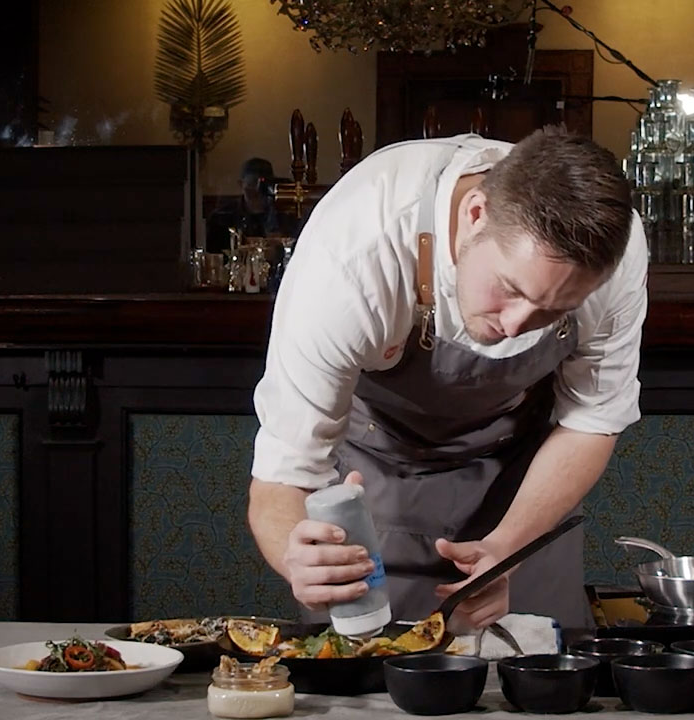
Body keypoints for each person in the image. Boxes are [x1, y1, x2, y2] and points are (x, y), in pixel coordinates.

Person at [247, 126, 648, 632]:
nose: (514, 326)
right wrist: (295, 558)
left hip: (523, 478)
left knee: (543, 690)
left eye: (553, 311)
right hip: (382, 475)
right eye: (508, 288)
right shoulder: (353, 257)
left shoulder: (617, 252)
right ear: (474, 213)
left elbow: (592, 419)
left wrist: (507, 549)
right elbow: (284, 474)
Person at [205, 157, 294, 253]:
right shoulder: (222, 218)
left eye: (263, 185)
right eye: (252, 183)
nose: (257, 190)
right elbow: (215, 254)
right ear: (241, 184)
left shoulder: (283, 215)